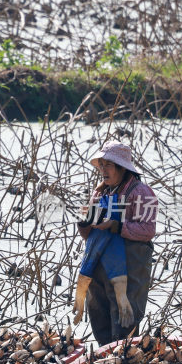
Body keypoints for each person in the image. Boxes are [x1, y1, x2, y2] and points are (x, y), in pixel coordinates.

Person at [73, 141, 156, 346]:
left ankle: (126, 363)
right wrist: (84, 223)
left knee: (125, 320)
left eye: (108, 165)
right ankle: (106, 361)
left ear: (122, 168)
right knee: (99, 315)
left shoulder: (141, 192)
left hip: (129, 268)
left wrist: (117, 226)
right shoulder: (100, 193)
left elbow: (148, 230)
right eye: (101, 165)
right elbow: (89, 234)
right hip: (100, 268)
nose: (103, 170)